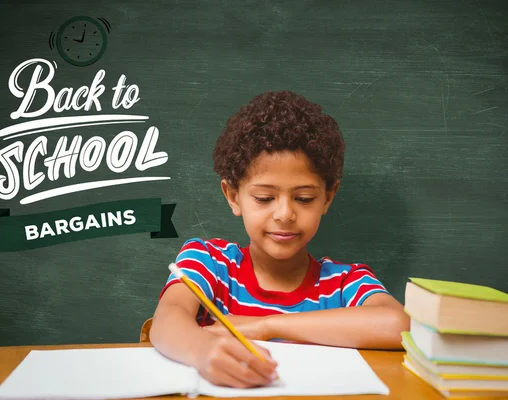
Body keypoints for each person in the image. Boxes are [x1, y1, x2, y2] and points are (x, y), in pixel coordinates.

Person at [150, 90, 410, 389]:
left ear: (328, 197)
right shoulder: (208, 261)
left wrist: (266, 326)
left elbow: (399, 325)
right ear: (233, 197)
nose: (285, 214)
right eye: (264, 198)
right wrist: (202, 351)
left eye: (304, 198)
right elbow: (167, 321)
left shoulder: (345, 282)